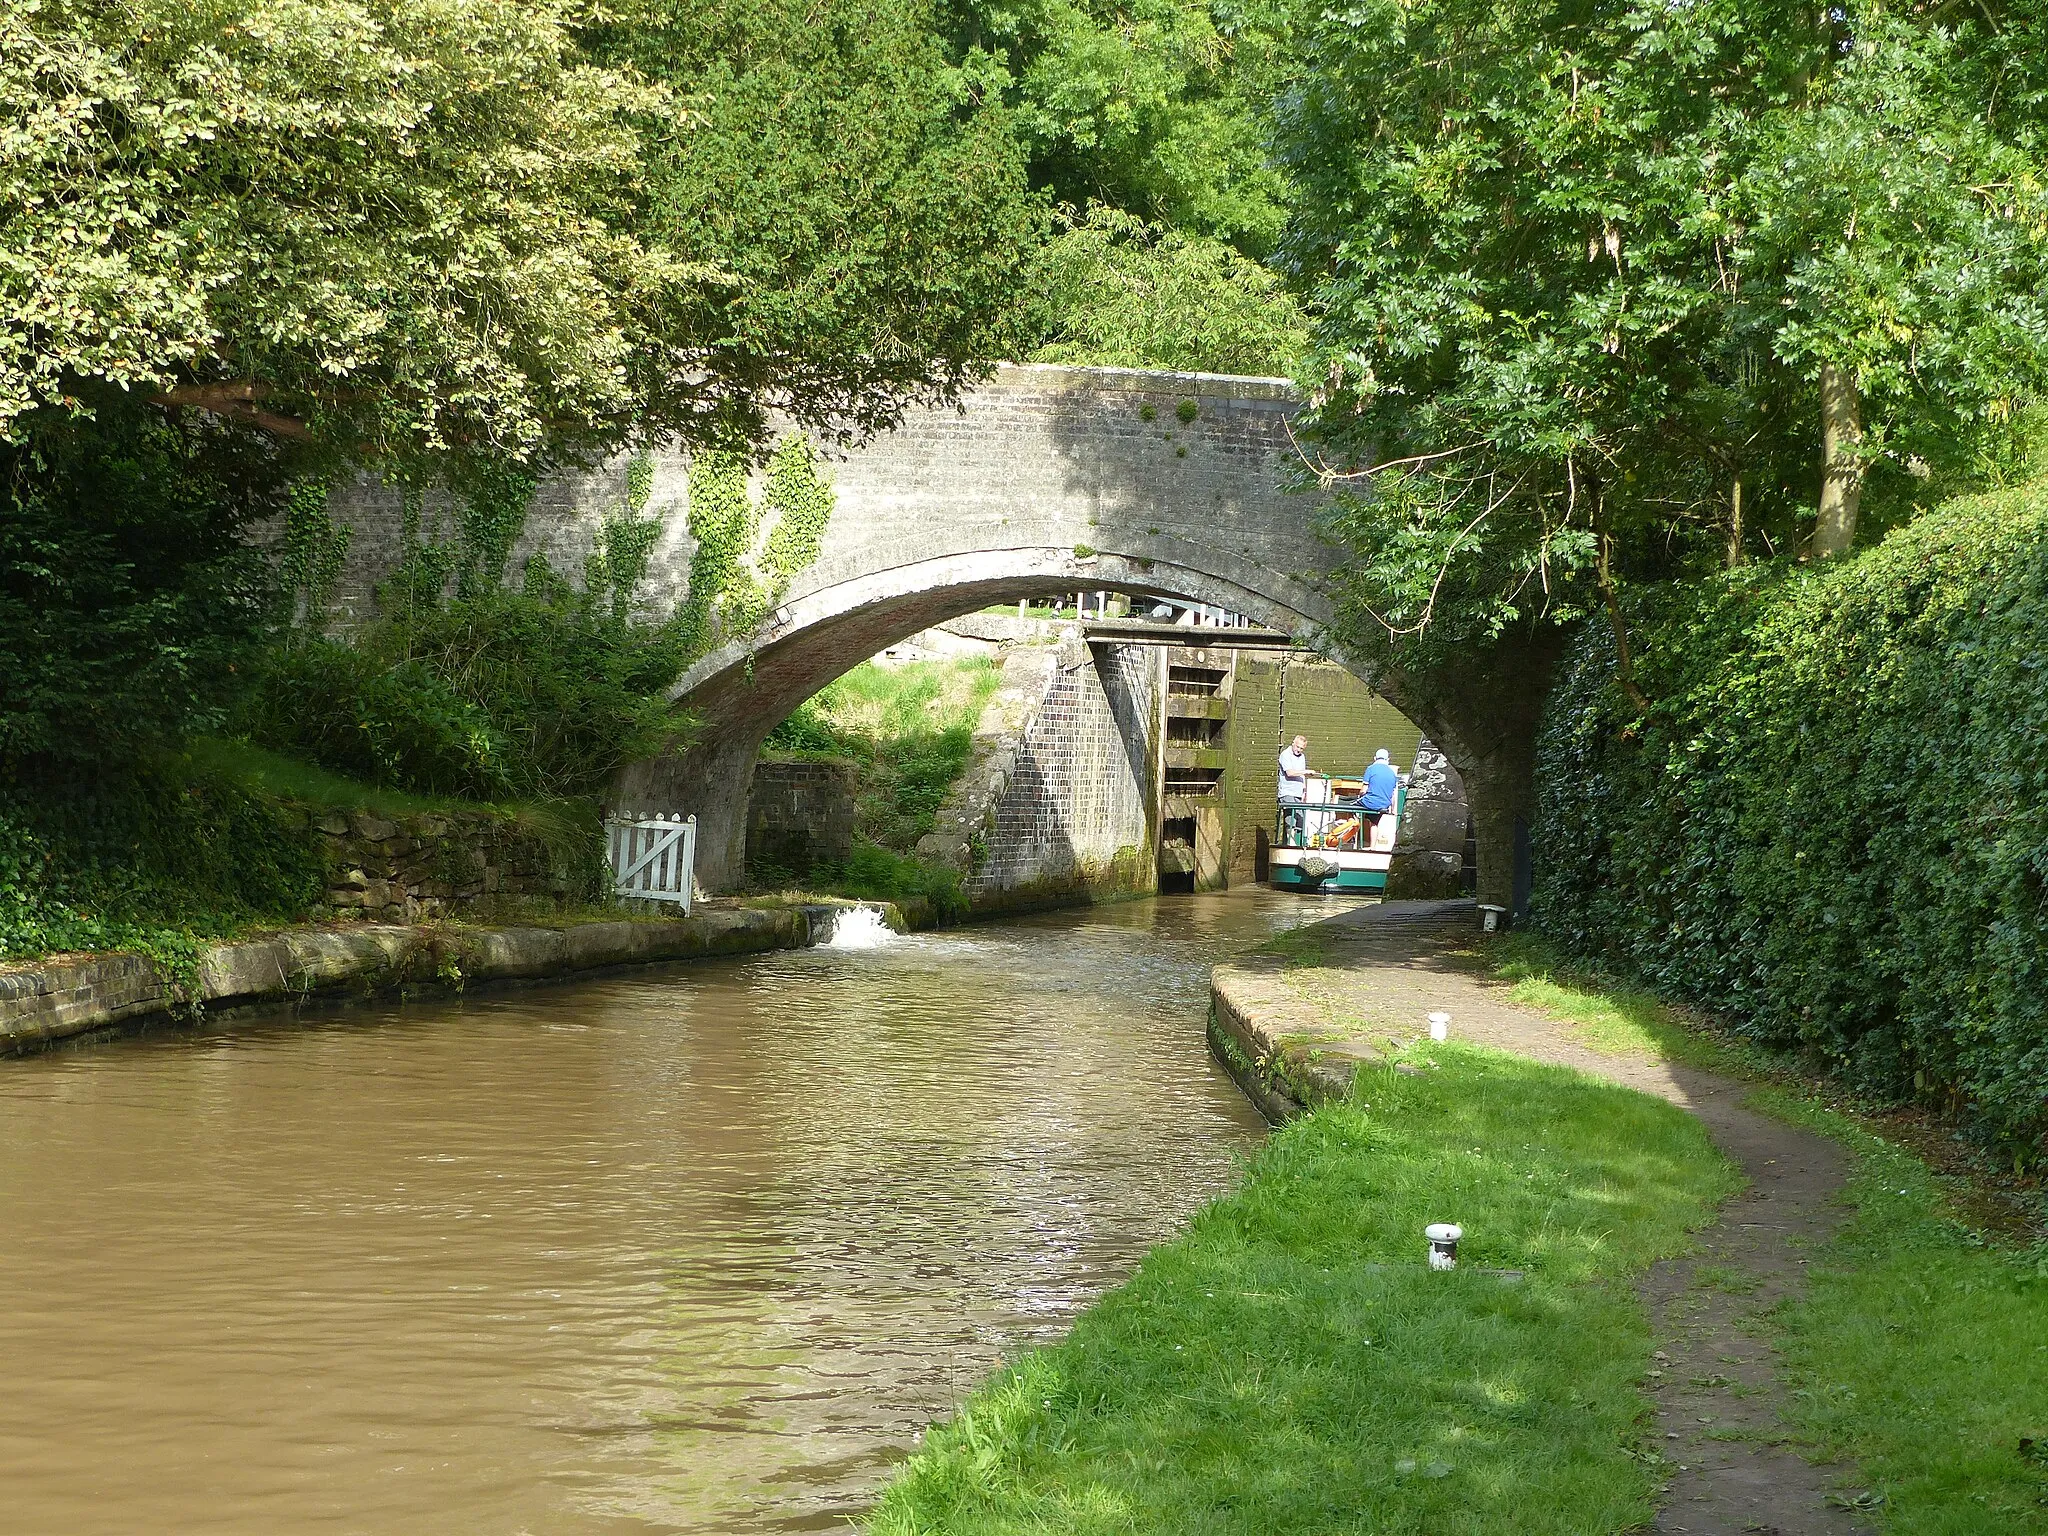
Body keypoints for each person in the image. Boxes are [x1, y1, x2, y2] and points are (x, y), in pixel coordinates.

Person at [1277, 735, 1309, 845]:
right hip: (1287, 792)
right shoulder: (1285, 755)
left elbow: (1302, 776)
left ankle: (1298, 844)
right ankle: (1290, 843)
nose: (1299, 750)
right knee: (1291, 818)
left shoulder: (1302, 757)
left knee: (1301, 818)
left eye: (1301, 748)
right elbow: (1290, 773)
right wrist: (1306, 771)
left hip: (1298, 793)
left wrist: (1304, 790)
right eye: (1298, 747)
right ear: (1293, 743)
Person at [1361, 747, 1400, 817]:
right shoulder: (1392, 772)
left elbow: (1363, 790)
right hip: (1385, 804)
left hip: (1371, 802)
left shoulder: (1370, 769)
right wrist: (1394, 810)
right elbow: (1393, 794)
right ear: (1388, 759)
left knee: (1349, 805)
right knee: (1374, 822)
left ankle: (1352, 824)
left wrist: (1360, 796)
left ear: (1375, 758)